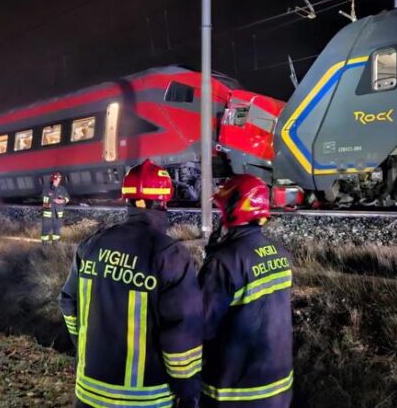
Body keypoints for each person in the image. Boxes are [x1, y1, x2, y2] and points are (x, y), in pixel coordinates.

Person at [59, 159, 202, 408]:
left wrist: (83, 347)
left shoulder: (91, 245)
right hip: (146, 398)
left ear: (126, 200)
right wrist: (187, 390)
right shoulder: (169, 255)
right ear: (163, 201)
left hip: (89, 392)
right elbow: (181, 333)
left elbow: (68, 303)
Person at [199, 174, 294, 408]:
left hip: (237, 394)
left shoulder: (224, 262)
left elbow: (200, 325)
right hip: (280, 388)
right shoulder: (281, 254)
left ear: (232, 210)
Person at [41, 171, 69, 244]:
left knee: (56, 232)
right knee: (45, 232)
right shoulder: (47, 189)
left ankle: (55, 246)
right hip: (48, 216)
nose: (58, 180)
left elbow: (67, 198)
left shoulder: (62, 189)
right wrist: (52, 201)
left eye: (59, 178)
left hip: (58, 215)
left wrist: (62, 201)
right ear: (53, 179)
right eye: (57, 178)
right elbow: (44, 202)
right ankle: (44, 247)